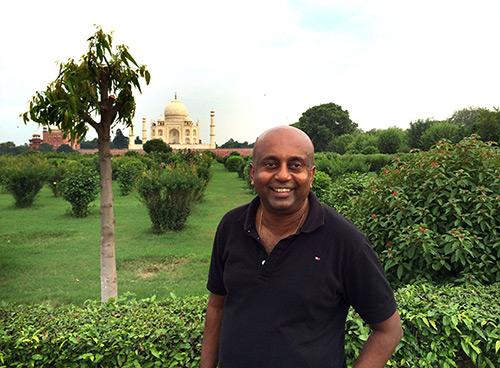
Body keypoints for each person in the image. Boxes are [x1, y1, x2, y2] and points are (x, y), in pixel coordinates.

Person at [201, 126, 402, 368]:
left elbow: (388, 331)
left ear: (311, 174)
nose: (283, 176)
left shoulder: (344, 241)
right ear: (253, 173)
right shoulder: (232, 226)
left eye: (295, 165)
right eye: (271, 164)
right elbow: (217, 305)